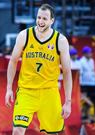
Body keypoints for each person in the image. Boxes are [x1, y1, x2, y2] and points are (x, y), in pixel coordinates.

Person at [5, 4, 72, 135]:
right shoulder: (24, 35)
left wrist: (68, 102)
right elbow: (13, 61)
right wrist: (8, 88)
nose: (40, 21)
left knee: (52, 133)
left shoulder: (60, 40)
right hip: (26, 91)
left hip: (49, 92)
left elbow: (67, 71)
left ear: (52, 21)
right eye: (39, 17)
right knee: (17, 130)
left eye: (44, 19)